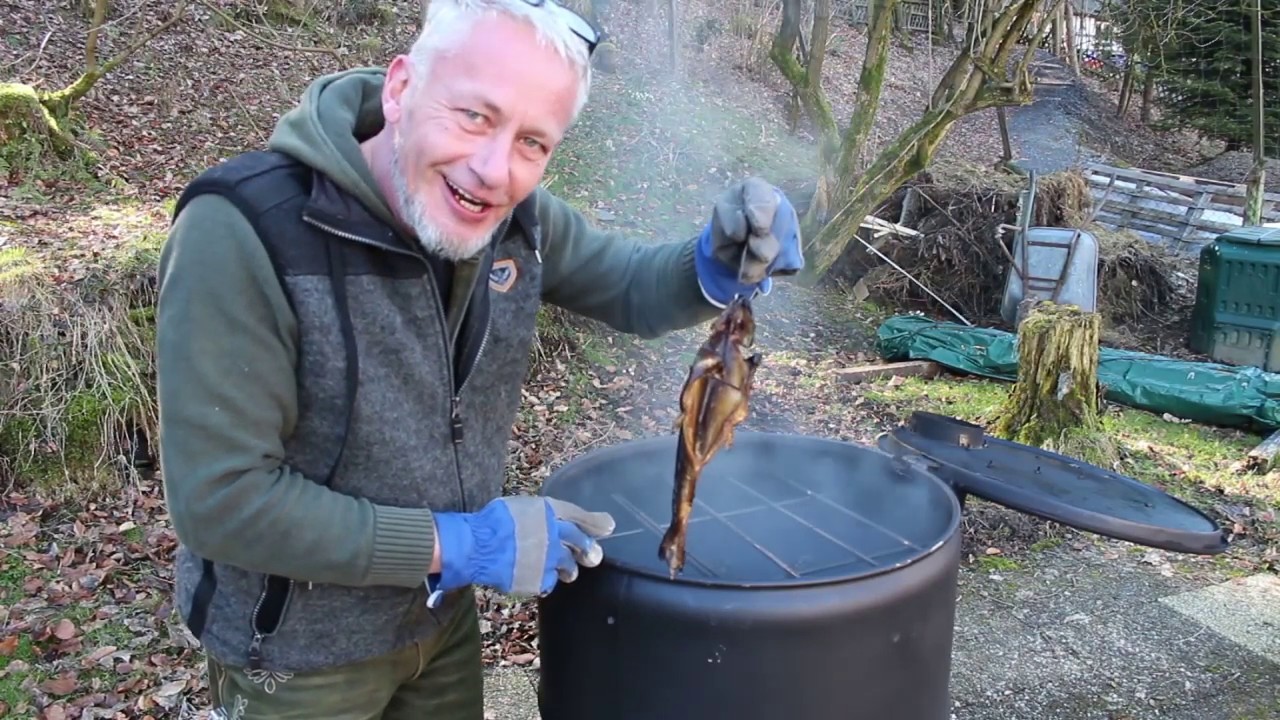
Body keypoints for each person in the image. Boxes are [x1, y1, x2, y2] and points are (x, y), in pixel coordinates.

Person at [154, 0, 804, 717]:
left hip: (438, 622)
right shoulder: (246, 232)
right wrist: (459, 542)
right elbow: (223, 502)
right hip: (296, 653)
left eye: (534, 142)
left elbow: (626, 283)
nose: (495, 170)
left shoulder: (516, 219)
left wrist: (709, 266)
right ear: (401, 86)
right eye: (474, 116)